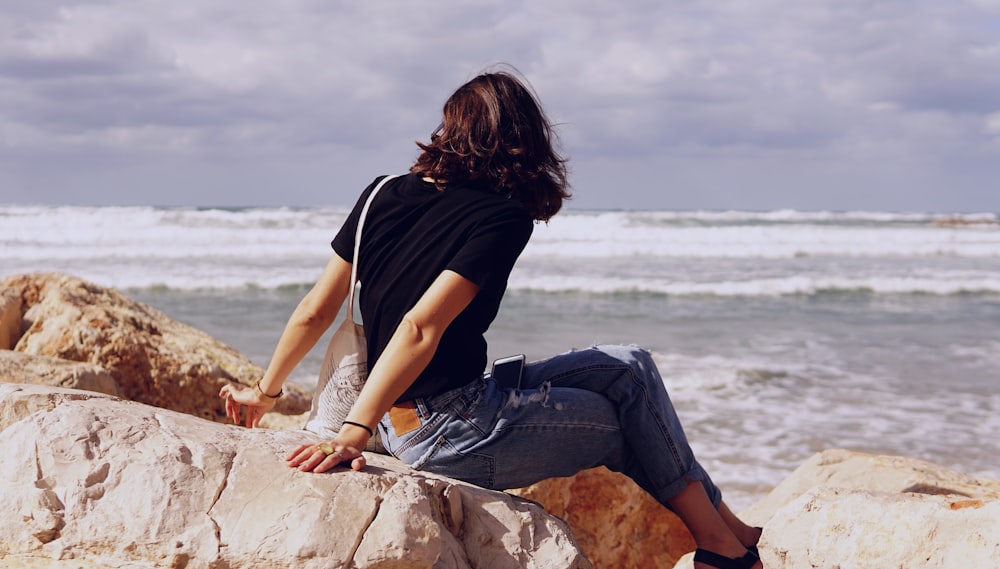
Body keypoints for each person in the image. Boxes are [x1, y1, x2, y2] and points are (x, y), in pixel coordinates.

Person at [219, 68, 763, 569]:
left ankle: (727, 530)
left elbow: (315, 310)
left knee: (629, 365)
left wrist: (264, 394)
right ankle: (720, 548)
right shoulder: (503, 217)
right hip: (449, 431)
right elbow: (418, 328)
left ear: (450, 128)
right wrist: (355, 431)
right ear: (522, 140)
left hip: (428, 407)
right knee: (626, 422)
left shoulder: (380, 193)